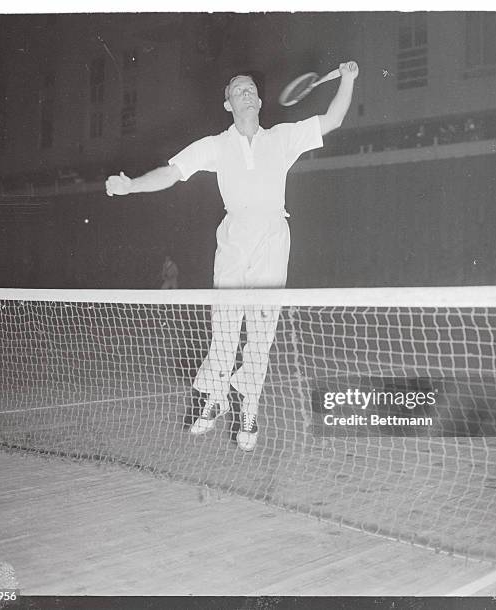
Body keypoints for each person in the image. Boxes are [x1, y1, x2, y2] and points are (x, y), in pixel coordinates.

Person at [106, 61, 359, 451]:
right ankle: (217, 397)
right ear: (227, 104)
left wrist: (348, 80)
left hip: (274, 236)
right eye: (237, 89)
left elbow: (333, 118)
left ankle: (249, 408)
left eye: (251, 87)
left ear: (258, 100)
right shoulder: (215, 145)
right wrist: (130, 187)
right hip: (235, 236)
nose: (245, 91)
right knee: (224, 324)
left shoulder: (283, 138)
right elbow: (172, 173)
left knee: (262, 331)